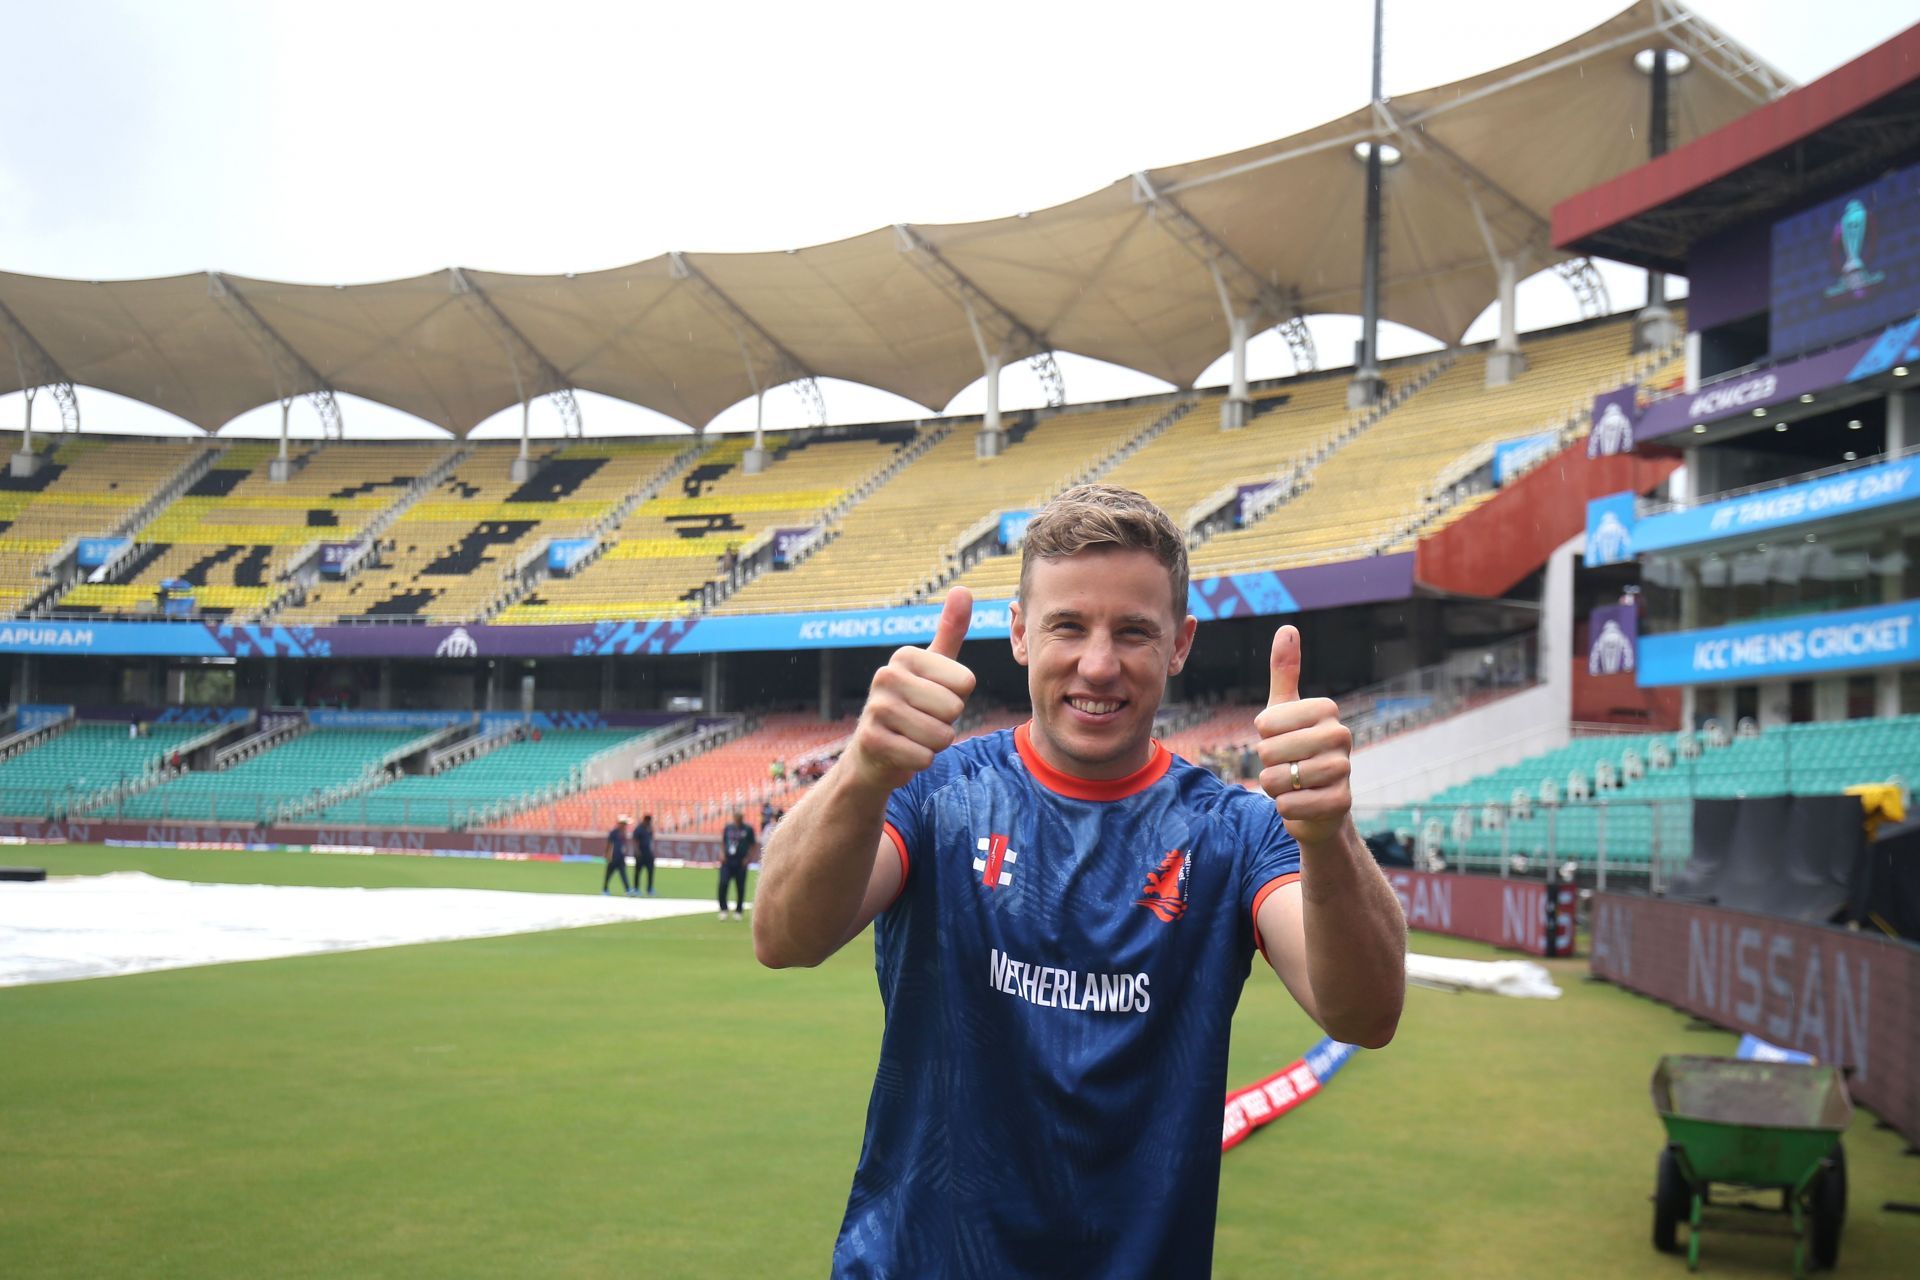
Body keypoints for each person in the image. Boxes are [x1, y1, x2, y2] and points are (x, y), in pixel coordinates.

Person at [752, 483, 1406, 1278]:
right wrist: (863, 770)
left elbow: (1366, 1013)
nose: (1099, 664)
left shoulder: (1235, 830)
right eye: (1068, 625)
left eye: (1134, 631)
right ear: (1021, 633)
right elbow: (783, 936)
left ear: (1180, 644)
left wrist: (1329, 832)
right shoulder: (934, 793)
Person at [717, 810, 754, 920]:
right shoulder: (728, 828)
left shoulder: (748, 829)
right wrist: (722, 853)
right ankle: (723, 908)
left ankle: (738, 910)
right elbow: (723, 842)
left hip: (740, 860)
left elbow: (753, 844)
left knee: (740, 886)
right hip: (728, 860)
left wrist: (748, 858)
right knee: (723, 883)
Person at [602, 815, 633, 896]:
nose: (625, 826)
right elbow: (609, 844)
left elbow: (624, 845)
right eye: (624, 824)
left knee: (623, 873)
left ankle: (627, 889)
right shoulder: (614, 832)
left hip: (621, 857)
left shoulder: (623, 833)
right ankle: (605, 889)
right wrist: (607, 854)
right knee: (609, 874)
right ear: (620, 823)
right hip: (613, 856)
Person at [632, 814, 656, 897]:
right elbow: (635, 841)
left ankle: (649, 889)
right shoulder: (638, 829)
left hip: (648, 853)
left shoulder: (648, 829)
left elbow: (651, 840)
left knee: (650, 871)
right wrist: (637, 852)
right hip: (641, 853)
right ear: (645, 820)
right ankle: (636, 888)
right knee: (638, 872)